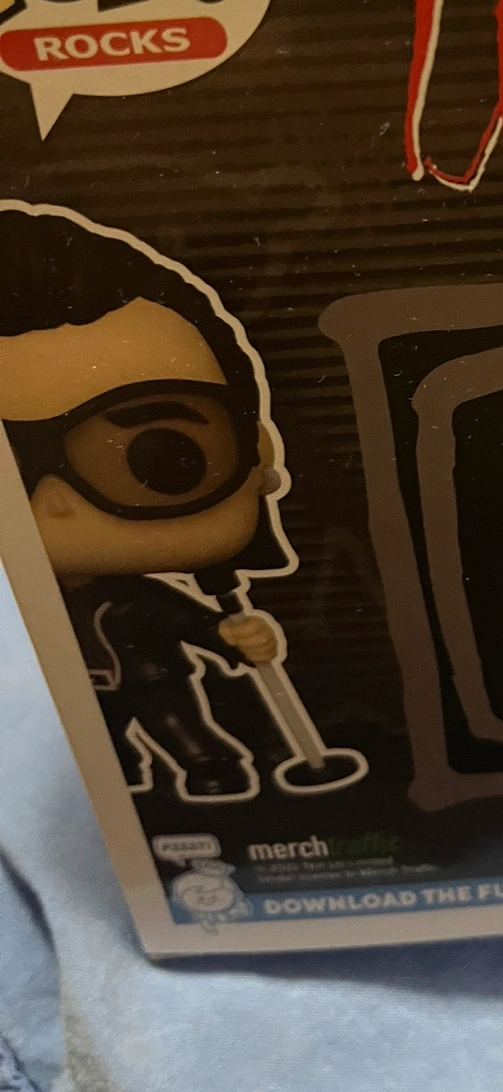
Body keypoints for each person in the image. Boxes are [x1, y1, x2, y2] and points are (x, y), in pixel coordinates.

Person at [0, 203, 294, 800]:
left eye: (160, 455)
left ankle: (208, 769)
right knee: (96, 756)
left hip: (155, 680)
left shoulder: (138, 601)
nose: (53, 506)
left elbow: (191, 621)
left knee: (182, 730)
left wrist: (228, 634)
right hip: (63, 713)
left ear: (255, 451)